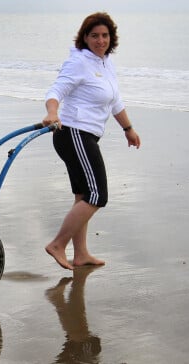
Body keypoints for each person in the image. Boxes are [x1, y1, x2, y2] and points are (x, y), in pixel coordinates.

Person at [42, 12, 141, 270]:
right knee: (98, 195)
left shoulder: (106, 63)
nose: (100, 40)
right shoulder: (79, 62)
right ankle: (58, 244)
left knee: (84, 195)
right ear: (85, 38)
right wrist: (52, 112)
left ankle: (81, 253)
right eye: (94, 35)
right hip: (73, 132)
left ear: (111, 38)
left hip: (85, 136)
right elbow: (56, 91)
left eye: (105, 35)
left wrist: (128, 128)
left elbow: (115, 100)